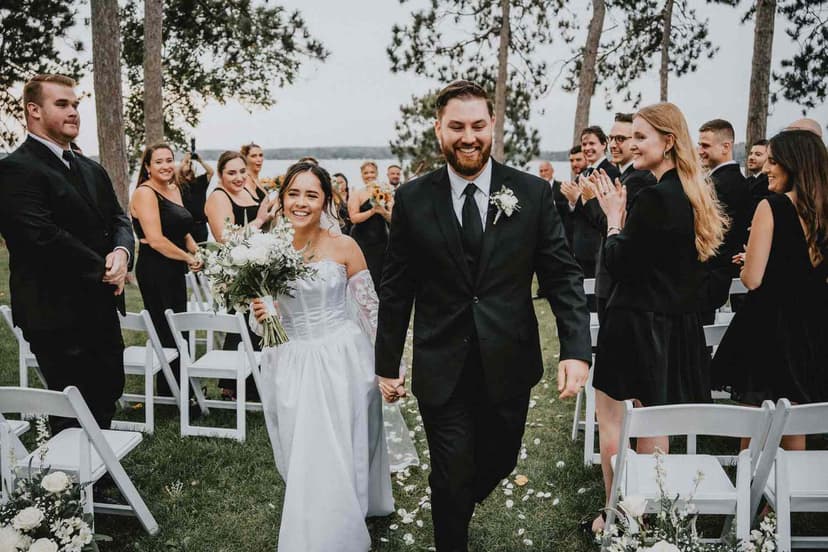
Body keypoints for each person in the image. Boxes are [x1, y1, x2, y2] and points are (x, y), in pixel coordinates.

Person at [375, 80, 591, 551]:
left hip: (508, 363)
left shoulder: (532, 194)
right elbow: (396, 288)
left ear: (492, 126)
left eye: (477, 125)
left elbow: (562, 275)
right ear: (438, 130)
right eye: (456, 127)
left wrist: (576, 349)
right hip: (441, 363)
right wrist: (386, 364)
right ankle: (451, 520)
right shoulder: (412, 199)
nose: (468, 136)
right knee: (451, 472)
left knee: (499, 461)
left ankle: (451, 499)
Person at [252, 162, 416, 551]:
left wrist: (391, 369)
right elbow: (264, 323)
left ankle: (344, 514)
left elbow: (369, 309)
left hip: (343, 356)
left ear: (326, 200)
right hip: (293, 359)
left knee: (345, 441)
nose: (301, 202)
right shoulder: (266, 250)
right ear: (282, 197)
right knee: (303, 445)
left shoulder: (345, 246)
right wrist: (263, 315)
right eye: (294, 193)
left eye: (311, 194)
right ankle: (315, 513)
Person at [590, 102, 727, 534]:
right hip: (674, 327)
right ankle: (649, 511)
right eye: (631, 137)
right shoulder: (693, 194)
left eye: (641, 137)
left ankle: (617, 516)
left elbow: (620, 263)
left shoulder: (650, 198)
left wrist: (614, 220)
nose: (631, 145)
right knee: (655, 422)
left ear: (668, 142)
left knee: (612, 420)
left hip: (633, 323)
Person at [0, 74, 134, 431]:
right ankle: (73, 482)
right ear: (34, 110)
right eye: (62, 104)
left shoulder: (89, 167)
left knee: (106, 391)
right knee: (72, 403)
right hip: (54, 311)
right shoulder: (15, 169)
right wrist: (103, 268)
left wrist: (121, 253)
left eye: (75, 104)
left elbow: (119, 217)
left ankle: (98, 475)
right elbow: (41, 237)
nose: (74, 111)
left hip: (100, 305)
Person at [712, 130, 828, 452]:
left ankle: (749, 494)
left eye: (774, 161)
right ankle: (787, 495)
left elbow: (752, 279)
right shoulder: (824, 211)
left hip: (768, 324)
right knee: (796, 416)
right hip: (814, 325)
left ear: (795, 164)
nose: (766, 169)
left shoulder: (772, 206)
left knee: (755, 417)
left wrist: (750, 254)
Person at [130, 143, 202, 397]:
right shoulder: (145, 193)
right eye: (158, 161)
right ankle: (175, 390)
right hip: (155, 267)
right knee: (165, 327)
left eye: (169, 160)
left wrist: (197, 251)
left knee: (177, 326)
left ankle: (177, 386)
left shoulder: (173, 188)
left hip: (174, 266)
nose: (165, 166)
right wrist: (187, 258)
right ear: (148, 167)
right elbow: (156, 239)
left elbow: (183, 229)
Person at [205, 151, 276, 400]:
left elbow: (265, 215)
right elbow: (225, 239)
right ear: (221, 175)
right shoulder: (218, 197)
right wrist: (258, 221)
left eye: (242, 171)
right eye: (231, 173)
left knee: (257, 320)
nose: (238, 177)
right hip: (235, 270)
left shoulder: (247, 190)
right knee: (241, 324)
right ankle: (233, 384)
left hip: (259, 264)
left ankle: (257, 380)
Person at [586, 113, 656, 320]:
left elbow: (612, 225)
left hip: (618, 283)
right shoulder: (624, 177)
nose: (613, 145)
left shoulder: (637, 181)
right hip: (609, 277)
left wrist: (589, 201)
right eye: (611, 139)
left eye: (621, 139)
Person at [698, 119, 752, 319]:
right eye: (699, 144)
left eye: (705, 145)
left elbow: (717, 233)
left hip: (711, 272)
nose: (700, 150)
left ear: (726, 147)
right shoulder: (729, 180)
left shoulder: (723, 184)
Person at [349, 161, 392, 292]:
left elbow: (394, 218)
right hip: (362, 240)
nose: (369, 175)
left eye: (372, 172)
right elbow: (354, 218)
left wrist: (382, 211)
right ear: (362, 175)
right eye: (366, 173)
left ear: (377, 173)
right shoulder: (357, 193)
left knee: (381, 276)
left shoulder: (385, 191)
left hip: (381, 239)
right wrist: (372, 211)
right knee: (364, 275)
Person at [178, 151, 215, 243]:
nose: (188, 164)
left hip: (201, 225)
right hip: (185, 226)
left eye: (190, 163)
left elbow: (211, 172)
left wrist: (200, 160)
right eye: (186, 163)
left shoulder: (200, 181)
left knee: (201, 254)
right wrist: (184, 161)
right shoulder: (179, 184)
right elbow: (173, 175)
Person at [746, 139, 771, 205]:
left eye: (758, 154)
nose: (751, 157)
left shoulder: (769, 183)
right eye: (751, 153)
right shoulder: (747, 181)